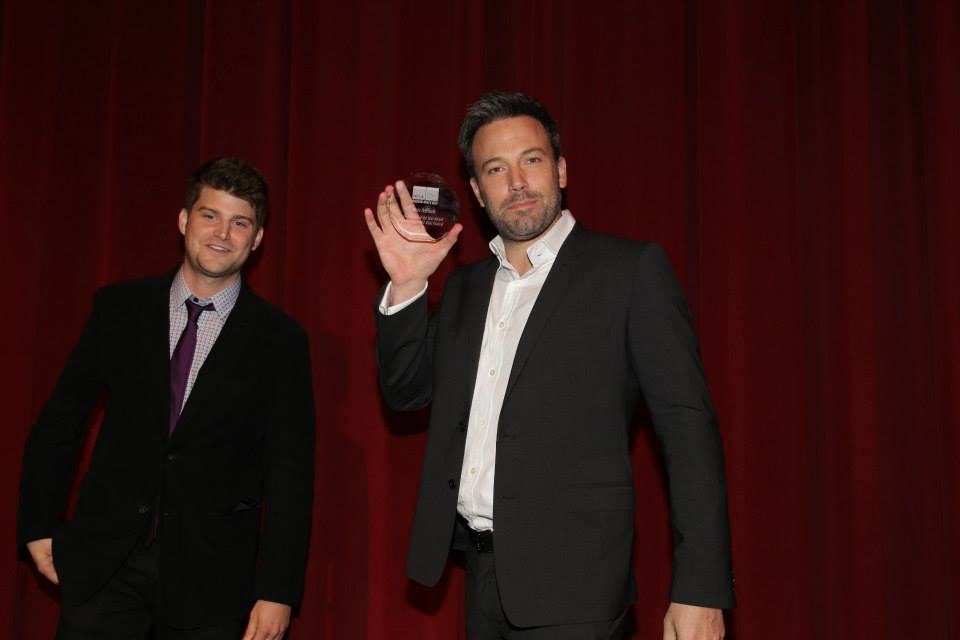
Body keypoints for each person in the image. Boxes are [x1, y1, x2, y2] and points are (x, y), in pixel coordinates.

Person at [365, 92, 734, 639]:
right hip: (480, 574)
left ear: (560, 170)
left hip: (576, 588)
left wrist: (700, 589)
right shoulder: (466, 287)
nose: (516, 182)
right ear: (475, 191)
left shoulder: (629, 272)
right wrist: (408, 284)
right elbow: (405, 395)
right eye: (495, 168)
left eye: (531, 160)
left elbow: (688, 431)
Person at [17, 157, 316, 640]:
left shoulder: (280, 341)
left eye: (240, 222)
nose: (222, 233)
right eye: (209, 215)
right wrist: (36, 525)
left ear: (257, 238)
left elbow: (291, 474)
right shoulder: (119, 309)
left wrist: (278, 589)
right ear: (183, 221)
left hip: (212, 582)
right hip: (103, 566)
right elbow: (60, 424)